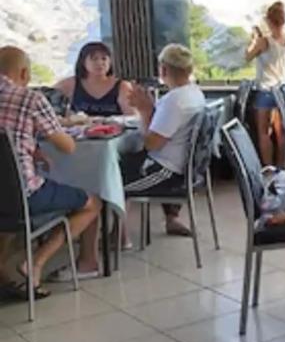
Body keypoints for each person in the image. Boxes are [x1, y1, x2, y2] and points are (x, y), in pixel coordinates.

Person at [0, 47, 101, 295]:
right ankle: (35, 264)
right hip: (22, 197)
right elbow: (67, 147)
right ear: (24, 73)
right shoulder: (30, 99)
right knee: (92, 202)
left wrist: (32, 149)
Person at [121, 44, 206, 237]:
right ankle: (171, 219)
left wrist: (144, 110)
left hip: (166, 171)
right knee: (123, 163)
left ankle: (119, 236)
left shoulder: (175, 101)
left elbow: (152, 144)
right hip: (185, 167)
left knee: (110, 179)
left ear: (164, 69)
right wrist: (150, 109)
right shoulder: (194, 93)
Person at [245, 1, 285, 167]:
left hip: (265, 90)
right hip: (282, 91)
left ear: (268, 20)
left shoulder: (264, 42)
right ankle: (281, 167)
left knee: (264, 133)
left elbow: (247, 57)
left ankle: (268, 169)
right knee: (281, 132)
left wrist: (254, 40)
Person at [55, 42, 133, 116]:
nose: (100, 63)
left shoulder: (122, 86)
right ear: (83, 62)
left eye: (104, 59)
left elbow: (132, 116)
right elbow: (49, 103)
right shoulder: (70, 84)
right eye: (94, 59)